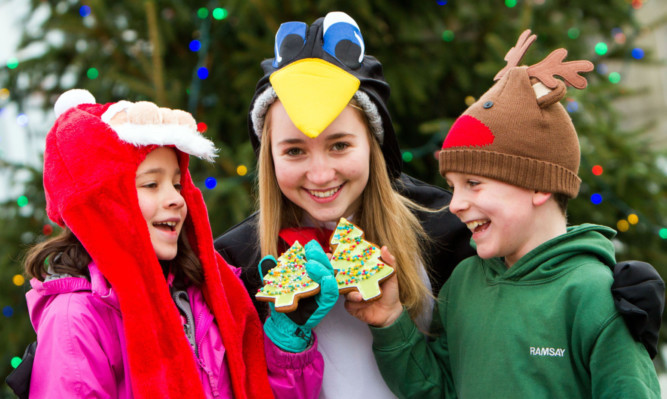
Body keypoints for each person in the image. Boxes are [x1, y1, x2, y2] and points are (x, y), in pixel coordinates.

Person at [214, 12, 664, 399]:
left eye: (339, 146)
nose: (319, 174)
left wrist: (607, 285)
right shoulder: (235, 263)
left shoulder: (445, 228)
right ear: (267, 158)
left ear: (374, 144)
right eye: (294, 151)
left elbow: (527, 224)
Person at [346, 30, 662, 398]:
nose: (454, 204)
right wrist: (390, 321)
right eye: (453, 185)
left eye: (474, 183)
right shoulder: (463, 285)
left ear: (540, 186)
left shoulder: (595, 297)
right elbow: (438, 390)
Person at [19, 89, 330, 398]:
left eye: (178, 184)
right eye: (151, 184)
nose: (176, 200)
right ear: (104, 203)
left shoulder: (204, 295)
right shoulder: (76, 320)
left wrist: (287, 338)